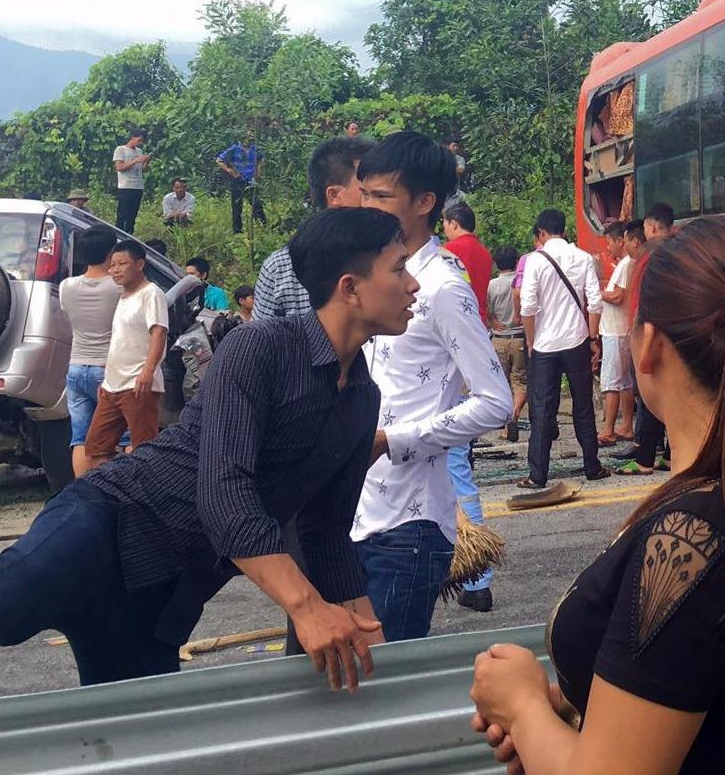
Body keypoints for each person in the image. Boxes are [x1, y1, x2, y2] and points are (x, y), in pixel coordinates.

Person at [0, 207, 416, 688]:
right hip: (107, 522)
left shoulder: (361, 399)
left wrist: (372, 639)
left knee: (136, 726)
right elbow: (225, 494)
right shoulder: (261, 347)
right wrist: (306, 608)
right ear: (349, 288)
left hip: (162, 592)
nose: (413, 285)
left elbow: (325, 531)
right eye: (399, 269)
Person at [469, 216, 725, 773]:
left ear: (648, 345)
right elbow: (704, 690)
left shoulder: (690, 538)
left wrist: (522, 708)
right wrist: (563, 717)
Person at [353, 132, 511, 641]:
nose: (367, 207)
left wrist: (392, 441)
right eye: (365, 194)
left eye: (381, 197)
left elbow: (496, 402)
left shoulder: (442, 287)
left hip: (409, 524)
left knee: (384, 678)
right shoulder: (372, 274)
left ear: (424, 203)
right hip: (357, 512)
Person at [518, 209, 606, 498]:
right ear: (564, 231)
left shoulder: (534, 260)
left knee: (543, 410)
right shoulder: (583, 258)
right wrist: (593, 338)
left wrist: (531, 341)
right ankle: (592, 466)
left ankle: (537, 475)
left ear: (542, 233)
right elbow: (595, 302)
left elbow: (528, 307)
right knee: (583, 405)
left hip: (544, 345)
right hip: (577, 340)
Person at [255, 136, 375, 320]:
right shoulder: (282, 269)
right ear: (334, 195)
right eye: (367, 192)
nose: (376, 202)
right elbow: (261, 337)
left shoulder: (393, 258)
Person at [84, 242, 168, 465]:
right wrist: (107, 378)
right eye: (112, 265)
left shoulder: (151, 293)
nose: (115, 270)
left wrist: (148, 371)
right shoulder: (123, 297)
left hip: (138, 384)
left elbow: (159, 332)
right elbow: (121, 341)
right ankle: (110, 485)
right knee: (97, 446)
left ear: (139, 264)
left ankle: (146, 486)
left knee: (144, 447)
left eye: (122, 264)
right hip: (112, 386)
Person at [59, 226, 123, 479]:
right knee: (121, 437)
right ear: (111, 253)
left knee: (81, 438)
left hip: (76, 368)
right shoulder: (118, 287)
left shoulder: (67, 286)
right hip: (108, 370)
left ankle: (83, 492)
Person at [613, 222, 668, 477]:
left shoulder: (647, 267)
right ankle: (669, 455)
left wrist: (644, 352)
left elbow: (648, 318)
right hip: (668, 344)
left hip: (651, 343)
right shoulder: (669, 262)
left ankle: (645, 459)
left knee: (649, 401)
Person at [597, 221, 637, 444]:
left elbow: (618, 296)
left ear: (620, 241)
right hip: (621, 329)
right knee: (624, 382)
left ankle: (609, 429)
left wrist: (596, 292)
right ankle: (626, 425)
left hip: (616, 331)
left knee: (611, 382)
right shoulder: (626, 264)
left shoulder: (626, 264)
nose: (608, 247)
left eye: (609, 242)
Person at [486, 247, 527, 443]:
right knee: (520, 381)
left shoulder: (492, 285)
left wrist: (493, 321)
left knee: (501, 383)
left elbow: (484, 307)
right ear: (517, 261)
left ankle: (504, 425)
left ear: (496, 264)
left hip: (499, 338)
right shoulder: (521, 283)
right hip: (519, 337)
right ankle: (515, 414)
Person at [441, 200, 493, 323]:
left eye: (444, 223)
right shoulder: (484, 252)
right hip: (478, 320)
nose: (444, 229)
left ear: (453, 224)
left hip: (457, 319)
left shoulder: (448, 251)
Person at [216, 131, 267, 235]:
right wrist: (229, 170)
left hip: (251, 180)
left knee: (256, 203)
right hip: (237, 179)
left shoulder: (255, 149)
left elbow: (262, 158)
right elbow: (219, 160)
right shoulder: (234, 149)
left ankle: (263, 225)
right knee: (237, 205)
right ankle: (237, 230)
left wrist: (259, 169)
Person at [111, 129, 150, 234]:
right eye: (139, 140)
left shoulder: (139, 151)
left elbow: (142, 170)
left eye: (142, 141)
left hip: (138, 186)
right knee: (122, 214)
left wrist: (147, 161)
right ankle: (119, 234)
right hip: (125, 186)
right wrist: (135, 160)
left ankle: (129, 234)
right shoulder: (120, 149)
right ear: (133, 137)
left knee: (132, 215)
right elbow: (119, 167)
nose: (140, 143)